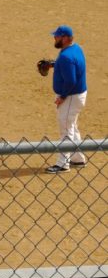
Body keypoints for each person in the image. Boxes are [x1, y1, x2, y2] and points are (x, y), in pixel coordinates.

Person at [43, 25, 87, 173]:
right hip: (77, 95)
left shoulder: (66, 56)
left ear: (66, 38)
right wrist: (53, 65)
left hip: (70, 97)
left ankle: (63, 164)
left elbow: (71, 80)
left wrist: (62, 97)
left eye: (57, 36)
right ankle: (78, 158)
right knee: (72, 126)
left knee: (66, 129)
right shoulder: (75, 49)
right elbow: (72, 67)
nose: (54, 38)